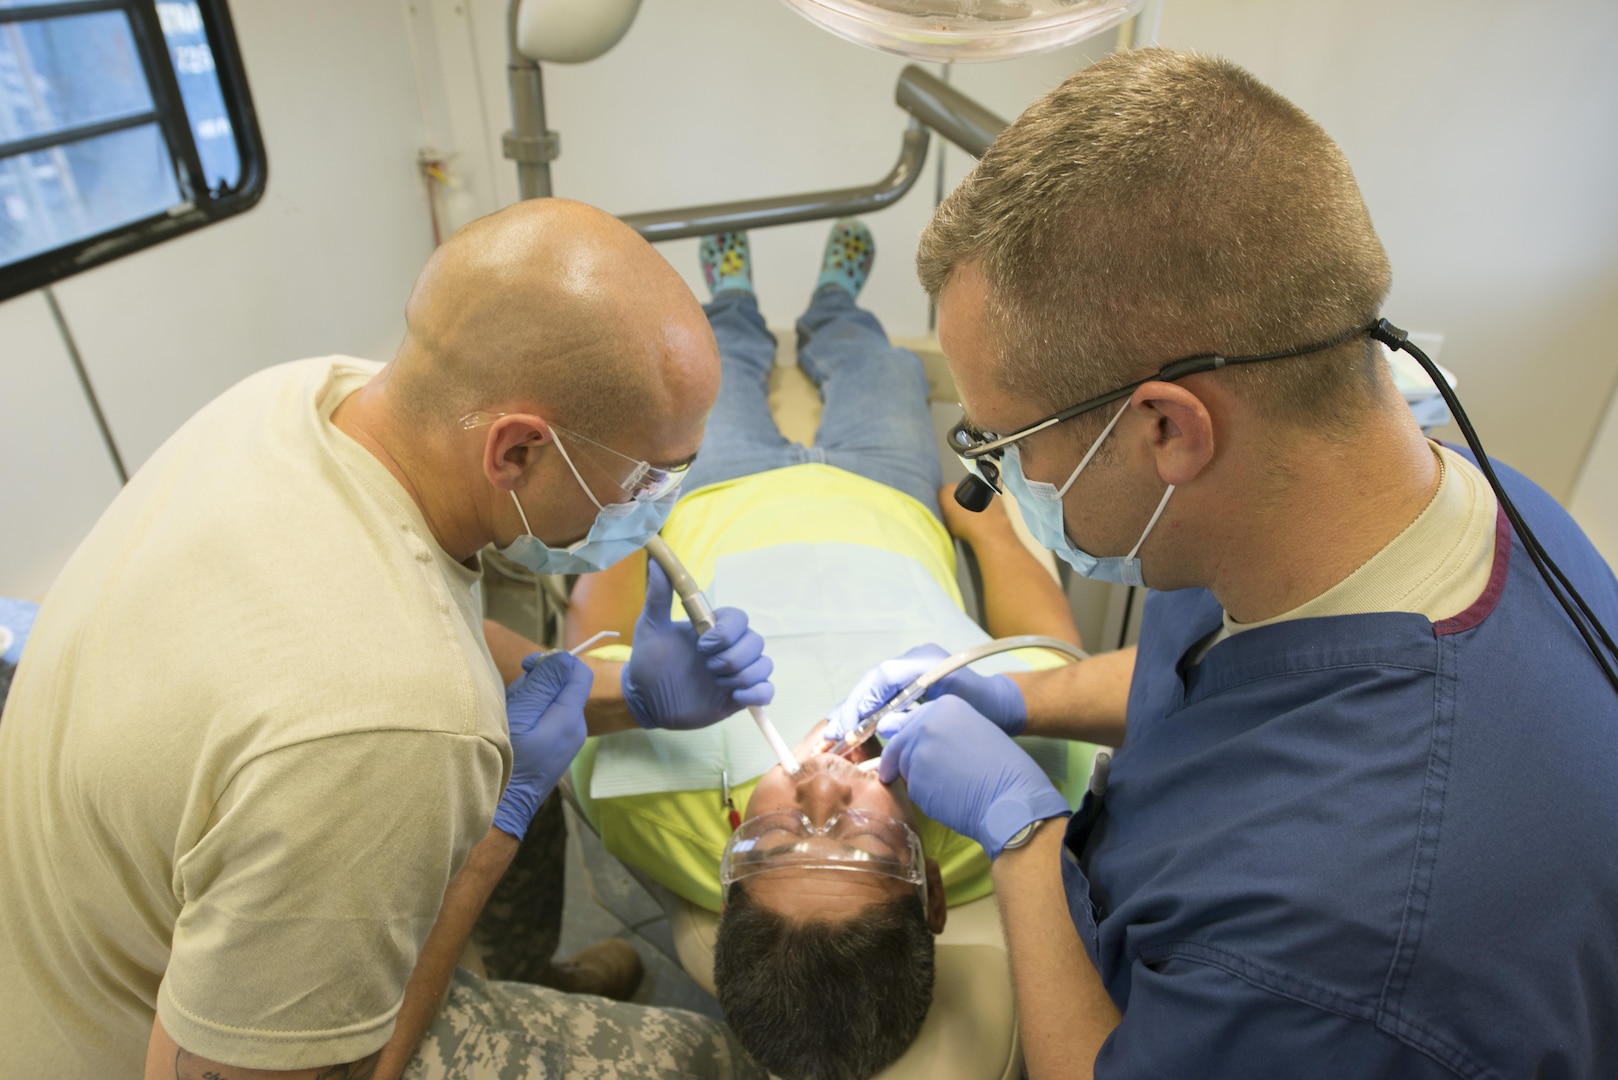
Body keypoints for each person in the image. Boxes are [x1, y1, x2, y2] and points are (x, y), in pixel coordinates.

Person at [826, 49, 1618, 1079]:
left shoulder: (1343, 948)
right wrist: (1023, 700)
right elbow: (1217, 689)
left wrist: (1021, 837)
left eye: (1006, 445)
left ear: (1166, 430)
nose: (993, 481)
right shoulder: (1353, 509)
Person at [0, 199, 776, 1080]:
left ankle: (529, 972)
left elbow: (408, 620)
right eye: (646, 476)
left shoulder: (303, 400)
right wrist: (494, 830)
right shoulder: (395, 735)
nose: (654, 506)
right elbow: (384, 701)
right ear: (516, 452)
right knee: (698, 1059)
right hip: (132, 1042)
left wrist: (623, 694)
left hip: (87, 914)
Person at [514, 220, 1093, 1080]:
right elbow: (1054, 660)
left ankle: (734, 302)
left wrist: (636, 536)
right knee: (879, 365)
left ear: (730, 855)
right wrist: (994, 539)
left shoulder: (643, 808)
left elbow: (592, 651)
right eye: (857, 836)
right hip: (883, 494)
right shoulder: (1009, 810)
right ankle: (834, 304)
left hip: (720, 490)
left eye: (785, 830)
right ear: (929, 887)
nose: (825, 782)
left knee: (720, 363)